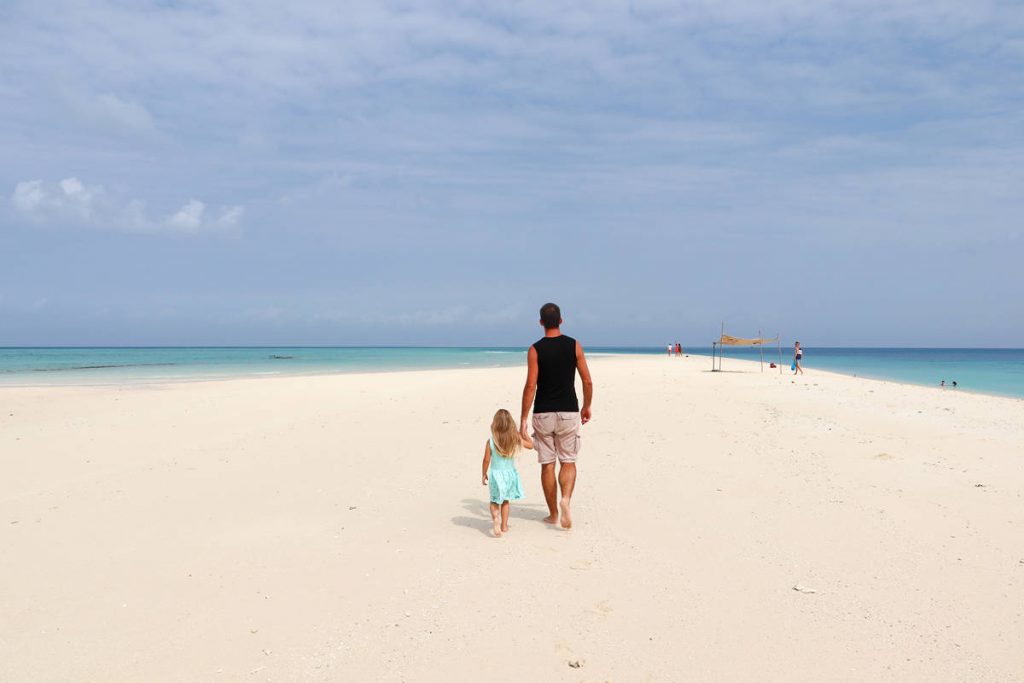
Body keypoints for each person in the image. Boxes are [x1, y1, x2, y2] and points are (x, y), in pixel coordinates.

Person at [521, 303, 593, 529]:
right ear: (561, 320)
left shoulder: (535, 349)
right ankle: (566, 500)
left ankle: (553, 514)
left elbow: (531, 385)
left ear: (541, 322)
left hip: (543, 413)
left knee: (547, 464)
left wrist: (523, 419)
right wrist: (587, 406)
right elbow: (587, 381)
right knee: (568, 460)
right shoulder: (574, 345)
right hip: (568, 411)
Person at [481, 409, 531, 538]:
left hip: (495, 476)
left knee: (494, 501)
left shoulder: (491, 441)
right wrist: (524, 436)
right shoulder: (514, 440)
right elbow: (531, 446)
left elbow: (486, 460)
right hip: (509, 475)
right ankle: (504, 525)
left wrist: (483, 474)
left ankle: (495, 518)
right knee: (505, 502)